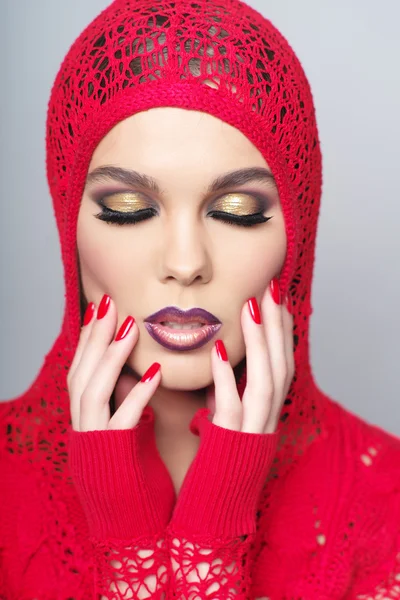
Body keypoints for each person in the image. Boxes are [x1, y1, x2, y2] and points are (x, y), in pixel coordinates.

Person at [1, 0, 399, 598]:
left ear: (296, 231)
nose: (186, 264)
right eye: (127, 209)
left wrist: (211, 540)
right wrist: (124, 537)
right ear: (69, 226)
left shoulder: (386, 501)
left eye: (237, 212)